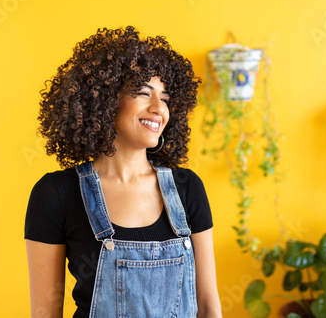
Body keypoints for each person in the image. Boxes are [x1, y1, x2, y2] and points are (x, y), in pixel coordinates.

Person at [25, 26, 222, 318]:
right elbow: (45, 314)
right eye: (144, 93)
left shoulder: (187, 187)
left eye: (165, 98)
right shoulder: (56, 193)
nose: (159, 108)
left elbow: (208, 308)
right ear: (104, 101)